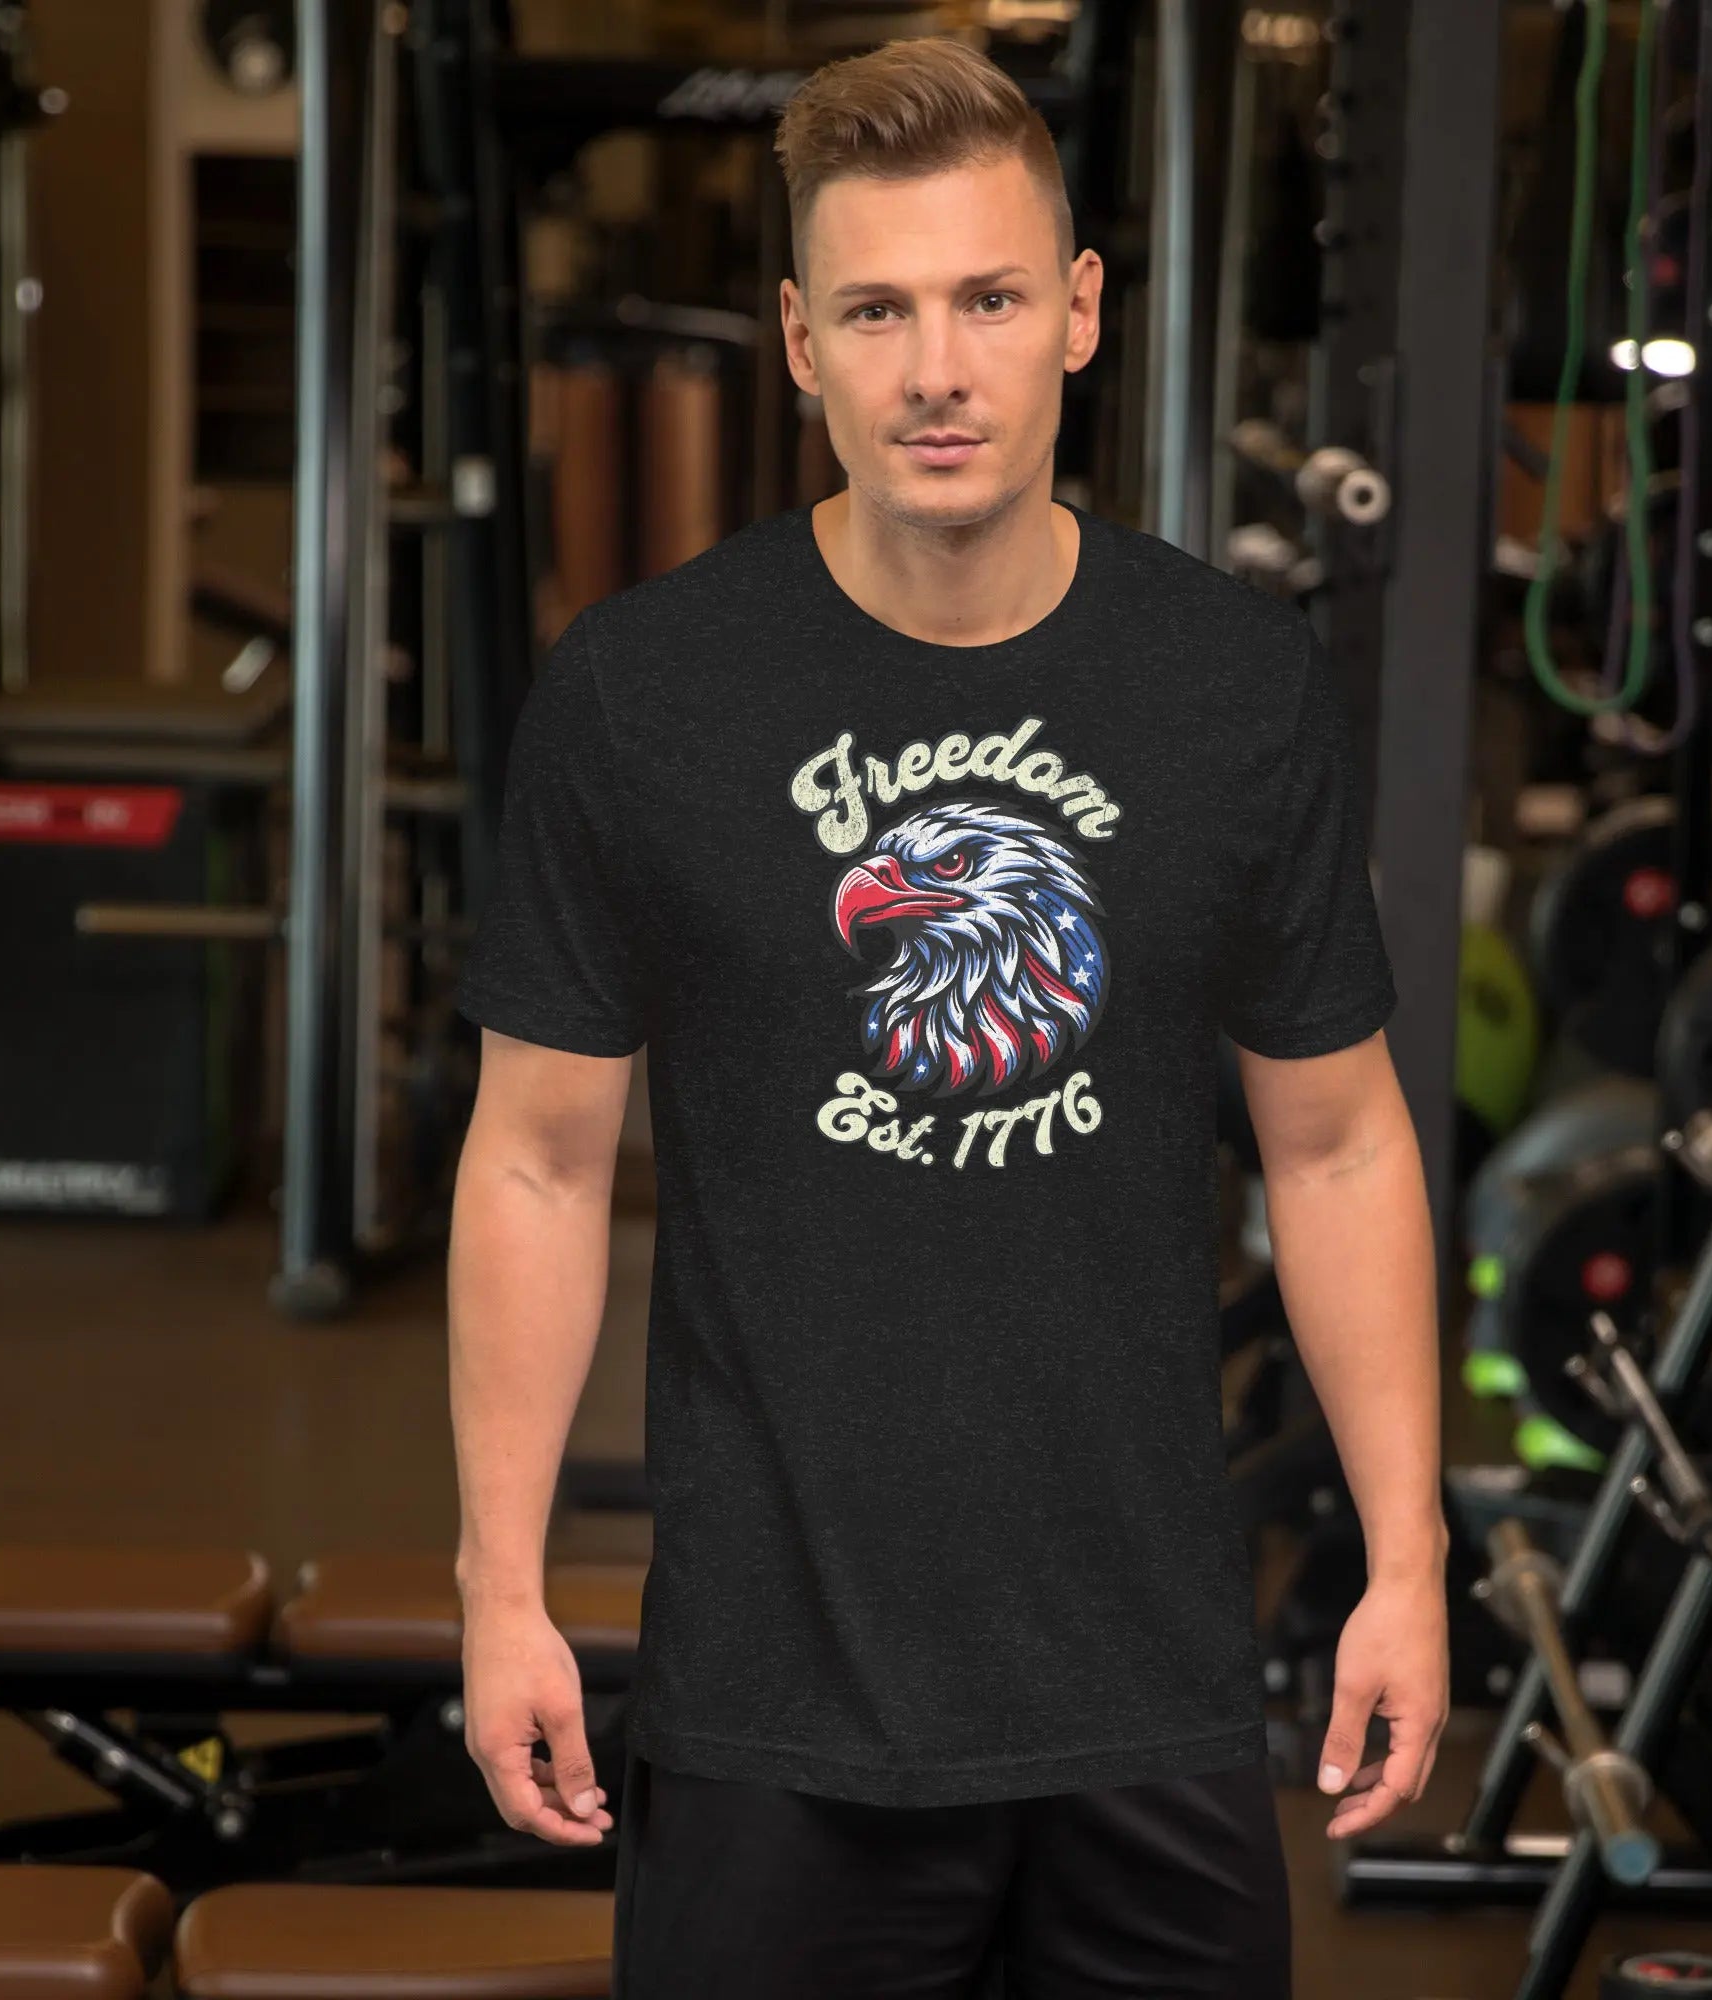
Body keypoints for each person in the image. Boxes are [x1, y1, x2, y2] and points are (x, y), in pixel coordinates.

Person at [447, 33, 1446, 1998]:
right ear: (800, 339)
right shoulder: (645, 697)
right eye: (880, 310)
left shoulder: (1232, 694)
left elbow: (1337, 1139)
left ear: (1076, 315)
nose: (936, 369)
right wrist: (500, 1586)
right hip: (773, 1700)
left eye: (988, 298)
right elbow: (538, 1160)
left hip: (1145, 1691)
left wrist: (1404, 1564)